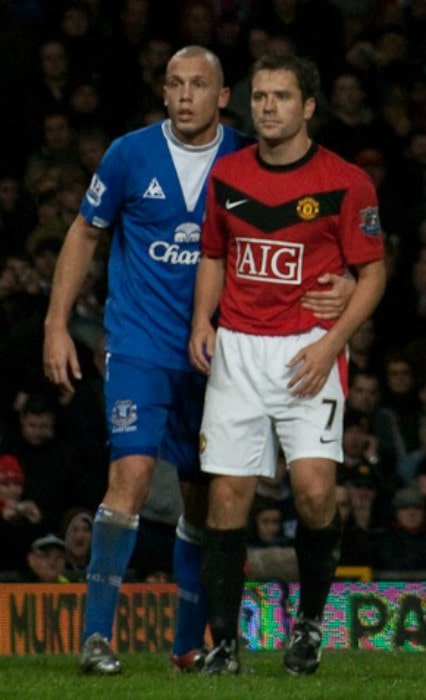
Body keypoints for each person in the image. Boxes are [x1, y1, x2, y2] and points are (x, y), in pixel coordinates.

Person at [43, 45, 353, 676]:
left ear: (221, 98)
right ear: (164, 93)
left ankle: (190, 644)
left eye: (199, 85)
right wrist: (55, 323)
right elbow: (84, 231)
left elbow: (312, 227)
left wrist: (345, 284)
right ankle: (96, 639)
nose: (185, 95)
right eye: (175, 84)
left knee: (203, 502)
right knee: (128, 478)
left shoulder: (248, 157)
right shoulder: (129, 154)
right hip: (139, 345)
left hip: (219, 350)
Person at [189, 53, 386, 676]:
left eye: (281, 97)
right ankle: (225, 643)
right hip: (240, 349)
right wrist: (204, 321)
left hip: (310, 348)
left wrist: (332, 345)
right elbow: (215, 254)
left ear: (308, 108)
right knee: (227, 498)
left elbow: (373, 271)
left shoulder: (346, 180)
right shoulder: (228, 174)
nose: (267, 106)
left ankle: (307, 626)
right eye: (261, 96)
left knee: (315, 493)